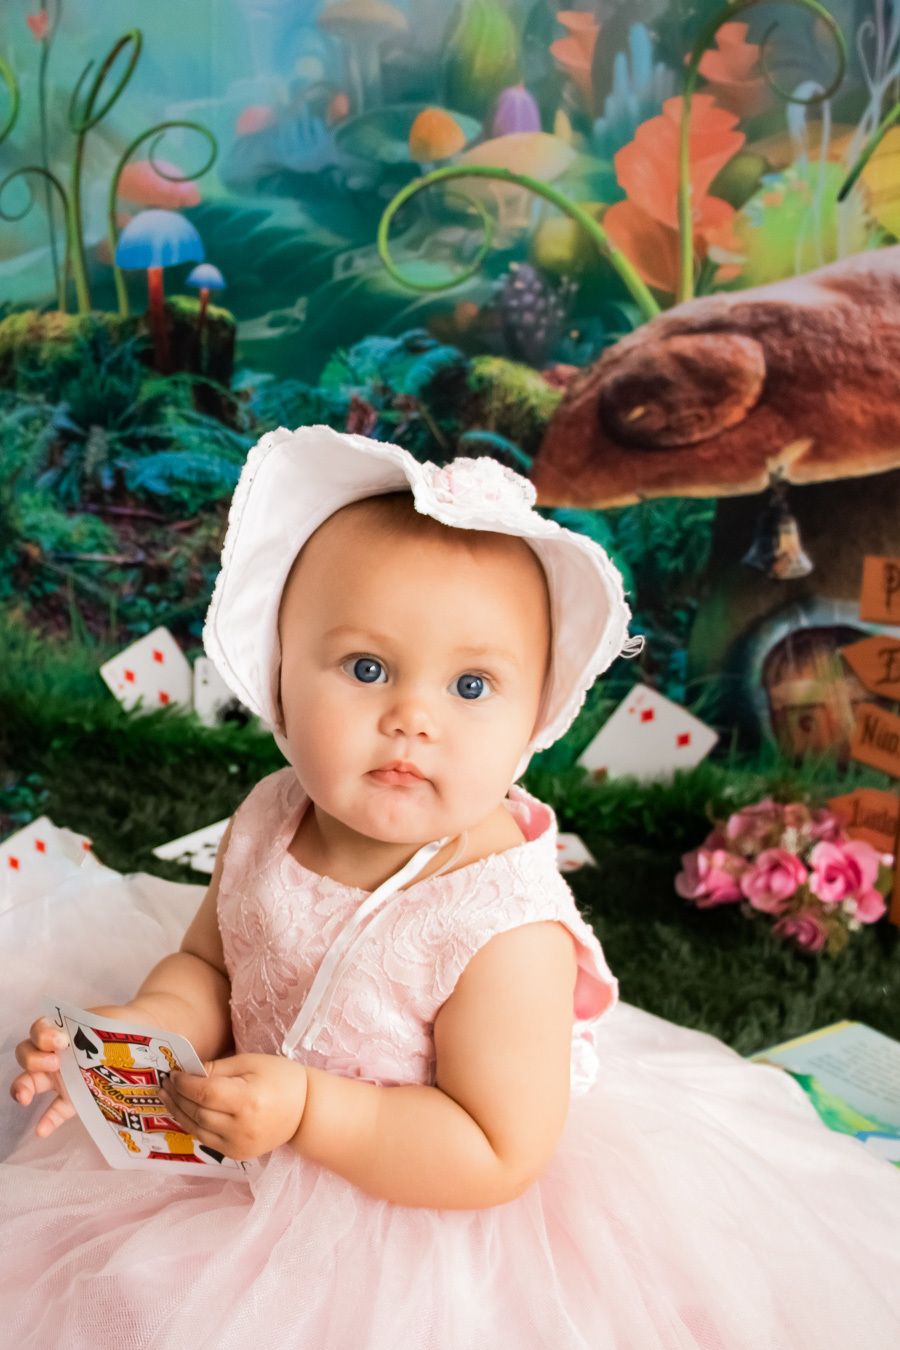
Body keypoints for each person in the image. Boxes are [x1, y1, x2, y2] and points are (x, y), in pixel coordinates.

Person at [2, 426, 900, 1350]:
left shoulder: (503, 925)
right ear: (277, 678)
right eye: (366, 669)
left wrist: (312, 1110)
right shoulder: (271, 814)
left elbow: (494, 1150)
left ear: (535, 718)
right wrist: (144, 1033)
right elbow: (210, 964)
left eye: (471, 685)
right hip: (248, 1118)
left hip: (410, 1205)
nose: (412, 717)